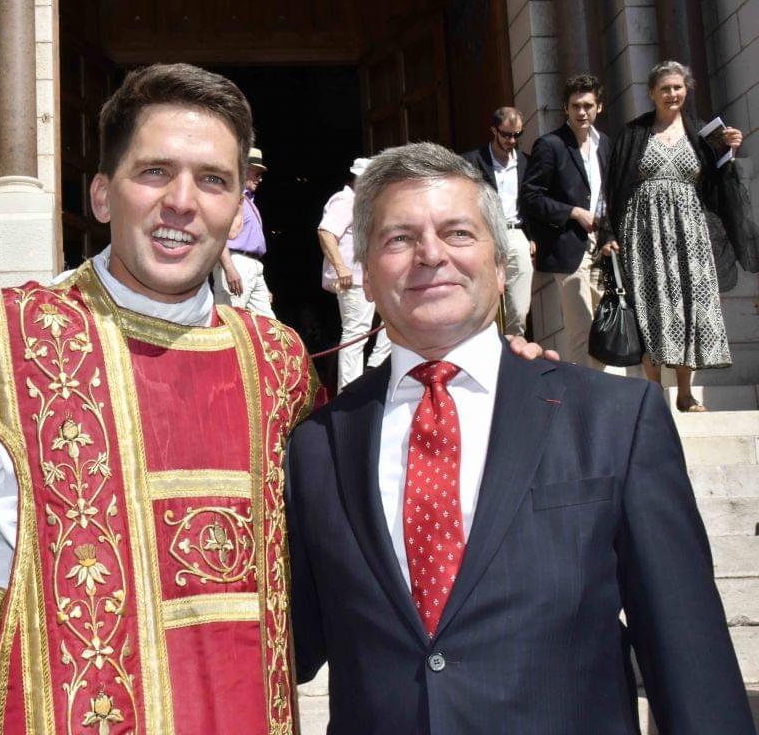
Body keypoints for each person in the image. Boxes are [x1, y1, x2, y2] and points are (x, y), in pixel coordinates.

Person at [0, 66, 552, 734]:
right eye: (154, 173)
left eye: (213, 181)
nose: (181, 204)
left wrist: (494, 371)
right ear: (102, 192)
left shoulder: (277, 364)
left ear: (239, 205)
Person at [286, 142, 754, 734]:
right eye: (398, 239)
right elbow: (284, 647)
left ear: (501, 263)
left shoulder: (614, 418)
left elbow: (691, 660)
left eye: (458, 233)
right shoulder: (317, 445)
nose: (430, 255)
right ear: (367, 277)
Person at [601, 60, 751, 412]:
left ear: (687, 90)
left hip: (689, 234)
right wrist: (609, 231)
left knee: (688, 307)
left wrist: (730, 152)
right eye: (665, 88)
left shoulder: (703, 133)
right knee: (649, 308)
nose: (672, 94)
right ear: (651, 92)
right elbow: (613, 187)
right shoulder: (633, 134)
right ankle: (654, 393)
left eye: (678, 87)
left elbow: (718, 186)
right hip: (643, 234)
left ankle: (685, 392)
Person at [521, 75, 612, 367]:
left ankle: (603, 391)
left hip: (603, 245)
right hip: (569, 246)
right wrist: (573, 212)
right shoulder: (550, 145)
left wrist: (610, 235)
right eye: (575, 106)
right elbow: (531, 197)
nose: (582, 112)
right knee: (581, 327)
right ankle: (584, 401)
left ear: (599, 107)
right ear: (565, 108)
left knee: (606, 326)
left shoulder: (605, 144)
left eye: (588, 105)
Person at [318, 156, 391, 389]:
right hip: (352, 278)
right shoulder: (345, 201)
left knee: (392, 318)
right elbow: (326, 232)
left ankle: (374, 367)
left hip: (367, 277)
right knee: (355, 332)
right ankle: (349, 390)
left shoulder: (361, 204)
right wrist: (341, 268)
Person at [462, 106, 533, 337]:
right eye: (506, 134)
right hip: (485, 235)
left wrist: (532, 237)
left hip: (515, 233)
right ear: (494, 130)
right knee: (485, 302)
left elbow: (533, 202)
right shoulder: (472, 161)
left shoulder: (526, 163)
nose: (512, 140)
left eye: (517, 135)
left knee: (519, 308)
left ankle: (514, 350)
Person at [213, 146, 276, 316]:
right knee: (231, 321)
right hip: (236, 261)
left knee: (269, 325)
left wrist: (259, 281)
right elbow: (219, 235)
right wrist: (229, 268)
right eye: (257, 174)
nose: (260, 179)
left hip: (252, 265)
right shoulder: (230, 197)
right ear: (245, 171)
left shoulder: (248, 201)